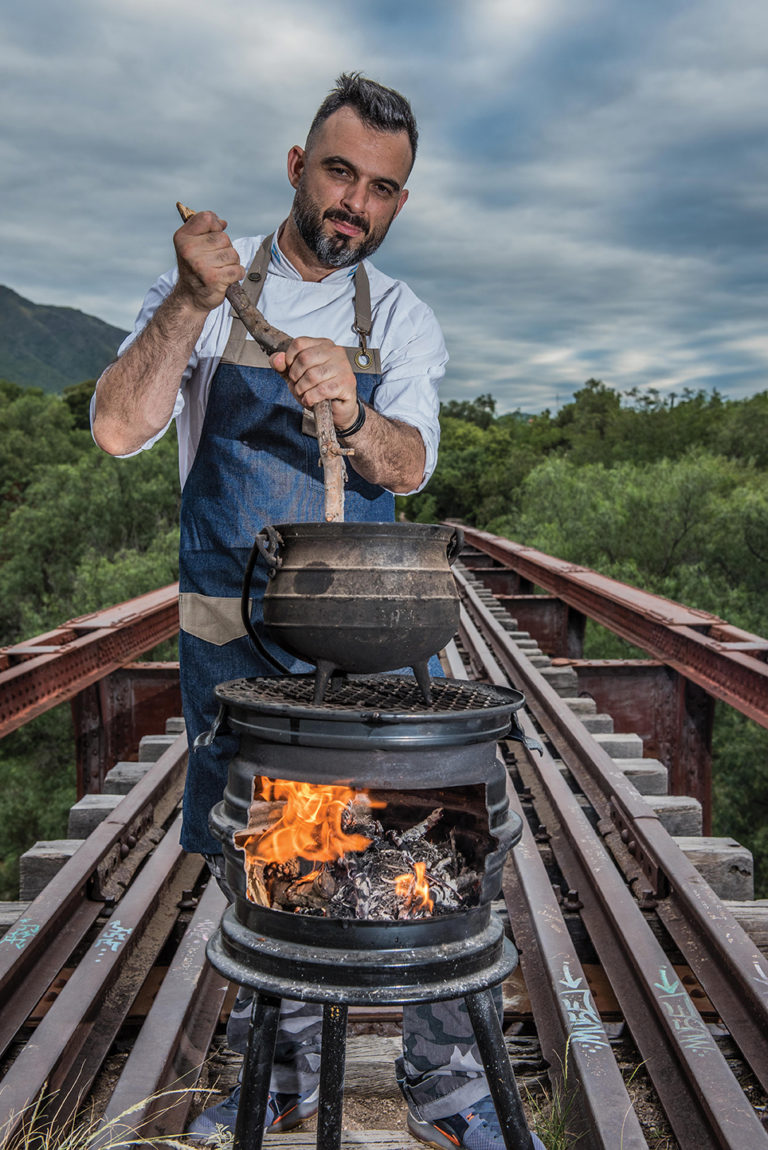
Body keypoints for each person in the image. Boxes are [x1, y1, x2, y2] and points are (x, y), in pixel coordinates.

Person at [92, 73, 545, 1150]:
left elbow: (412, 464)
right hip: (235, 649)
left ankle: (443, 1087)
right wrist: (194, 301)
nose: (356, 203)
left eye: (383, 188)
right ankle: (287, 1077)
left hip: (375, 644)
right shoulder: (204, 292)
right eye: (340, 173)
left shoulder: (398, 316)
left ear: (398, 203)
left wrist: (356, 406)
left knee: (438, 847)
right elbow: (117, 427)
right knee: (261, 865)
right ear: (298, 169)